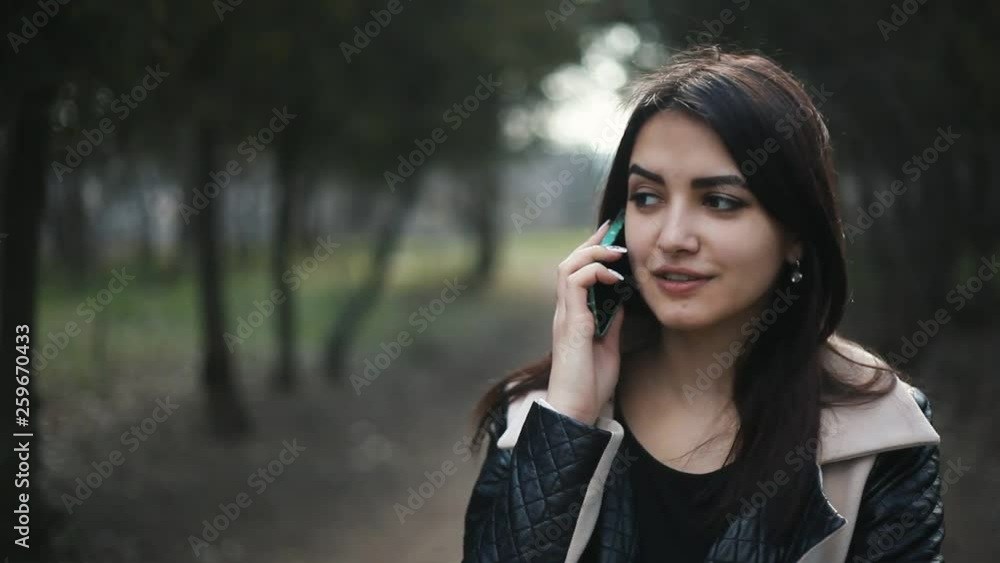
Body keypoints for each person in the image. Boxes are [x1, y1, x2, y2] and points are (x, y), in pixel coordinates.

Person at [461, 46, 944, 563]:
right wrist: (570, 420)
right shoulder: (533, 416)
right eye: (647, 197)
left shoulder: (880, 431)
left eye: (719, 201)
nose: (672, 238)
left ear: (797, 233)